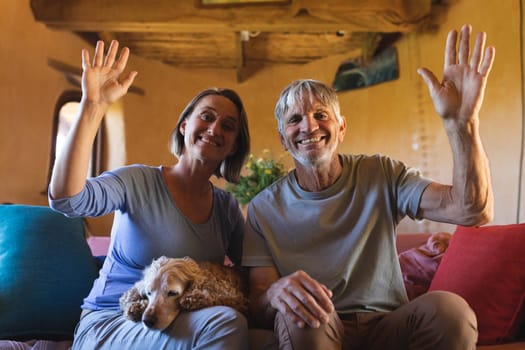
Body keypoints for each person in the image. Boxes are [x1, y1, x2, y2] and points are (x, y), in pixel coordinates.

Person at [242, 24, 494, 350]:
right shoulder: (264, 207)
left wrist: (462, 124)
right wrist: (274, 293)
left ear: (341, 128)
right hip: (319, 327)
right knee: (300, 316)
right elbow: (258, 302)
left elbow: (471, 210)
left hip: (388, 326)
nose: (309, 126)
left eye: (321, 114)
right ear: (282, 138)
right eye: (294, 119)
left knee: (451, 312)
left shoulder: (381, 173)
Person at [49, 40, 251, 349]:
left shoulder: (226, 208)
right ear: (184, 126)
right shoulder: (137, 180)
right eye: (207, 117)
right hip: (113, 321)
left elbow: (253, 269)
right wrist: (93, 105)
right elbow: (67, 198)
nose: (215, 129)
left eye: (228, 125)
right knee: (226, 324)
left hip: (180, 322)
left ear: (234, 145)